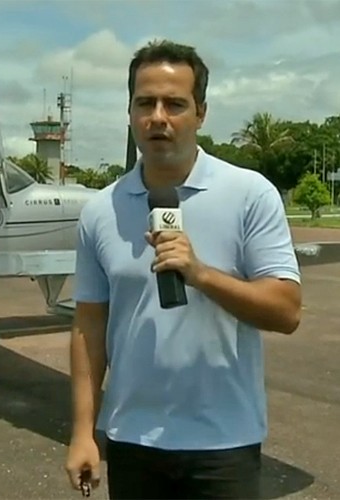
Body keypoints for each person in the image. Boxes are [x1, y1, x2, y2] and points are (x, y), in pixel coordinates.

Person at [65, 39, 302, 499]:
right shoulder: (99, 211)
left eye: (175, 104)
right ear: (130, 111)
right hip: (132, 440)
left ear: (201, 113)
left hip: (224, 443)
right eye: (145, 102)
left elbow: (287, 311)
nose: (158, 117)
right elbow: (89, 328)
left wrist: (201, 274)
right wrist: (82, 432)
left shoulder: (250, 194)